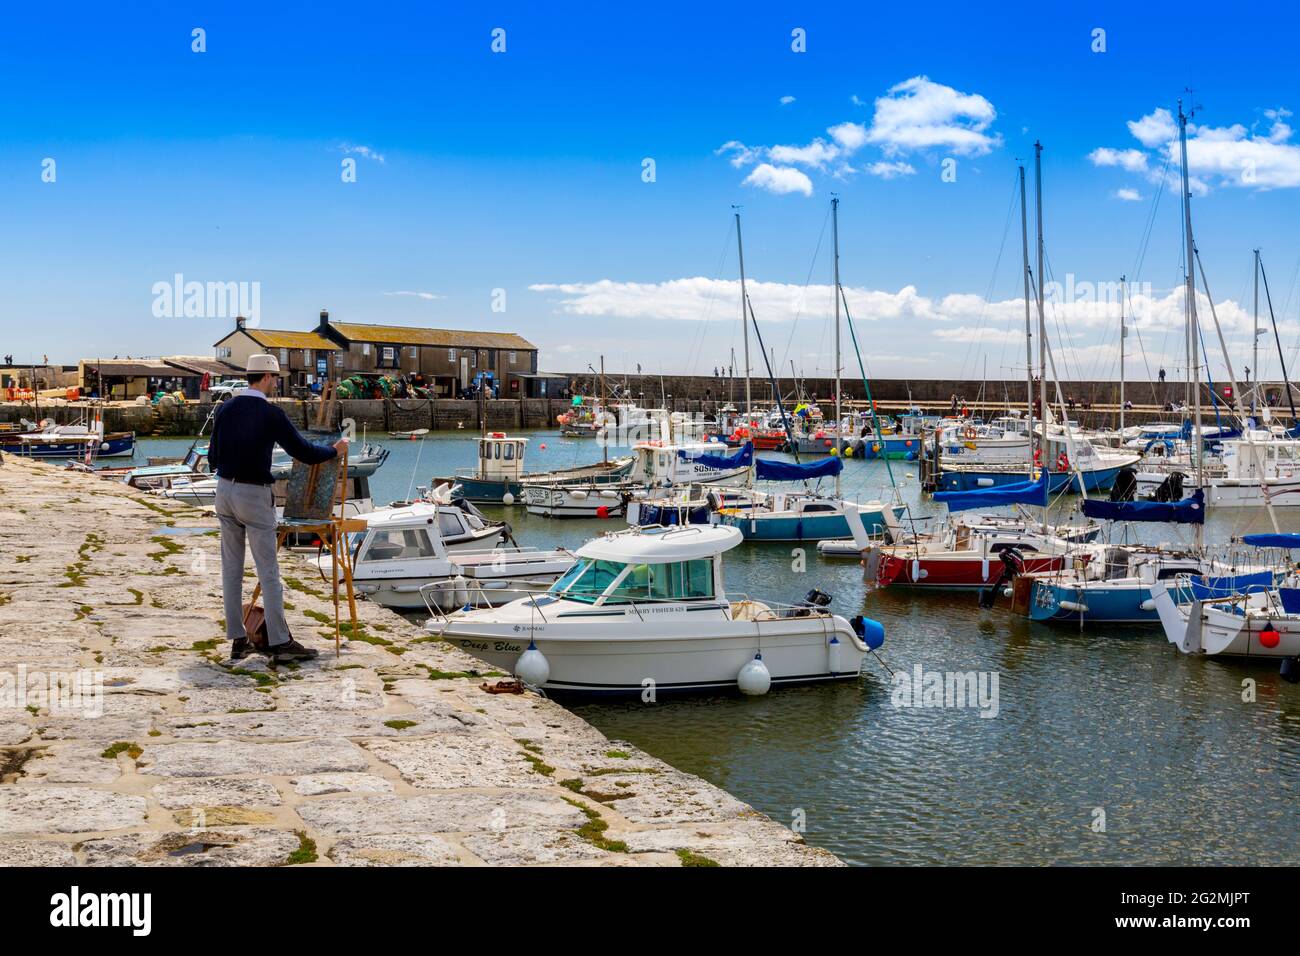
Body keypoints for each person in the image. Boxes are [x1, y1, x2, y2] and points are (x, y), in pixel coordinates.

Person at [209, 354, 347, 662]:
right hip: (253, 495)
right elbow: (303, 452)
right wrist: (333, 450)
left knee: (231, 570)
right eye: (275, 379)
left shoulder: (225, 409)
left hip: (224, 491)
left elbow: (213, 457)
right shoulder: (271, 414)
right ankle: (280, 642)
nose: (276, 384)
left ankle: (238, 640)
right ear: (268, 378)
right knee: (268, 572)